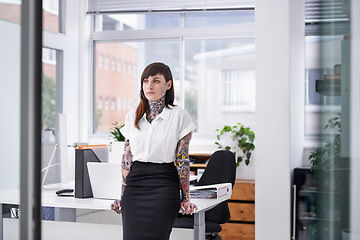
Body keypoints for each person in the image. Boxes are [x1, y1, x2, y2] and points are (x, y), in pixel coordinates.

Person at [111, 62, 198, 240]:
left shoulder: (180, 116)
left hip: (164, 187)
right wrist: (121, 196)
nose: (149, 86)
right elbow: (126, 160)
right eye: (145, 81)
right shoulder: (132, 115)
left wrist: (186, 198)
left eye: (156, 81)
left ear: (168, 85)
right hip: (135, 188)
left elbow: (182, 161)